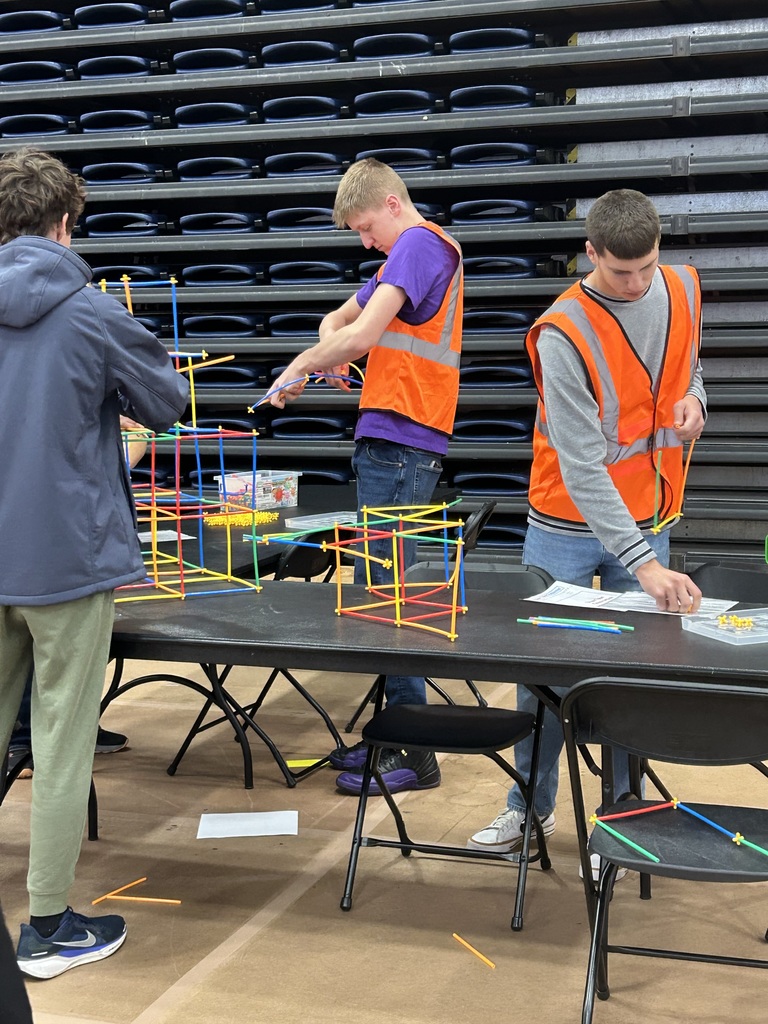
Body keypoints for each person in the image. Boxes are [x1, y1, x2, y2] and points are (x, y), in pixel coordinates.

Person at [466, 189, 706, 875]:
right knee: (543, 677)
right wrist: (643, 562)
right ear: (590, 252)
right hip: (565, 527)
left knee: (632, 681)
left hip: (649, 517)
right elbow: (581, 465)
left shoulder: (683, 288)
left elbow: (690, 368)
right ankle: (528, 807)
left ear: (660, 250)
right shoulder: (562, 332)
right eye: (619, 271)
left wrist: (696, 400)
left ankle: (623, 822)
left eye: (646, 268)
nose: (635, 283)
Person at [0, 147, 189, 978]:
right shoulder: (90, 312)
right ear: (64, 224)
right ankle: (47, 926)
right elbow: (167, 403)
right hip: (64, 559)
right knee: (61, 741)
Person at [268, 157, 464, 795]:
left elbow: (359, 336)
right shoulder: (405, 253)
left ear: (391, 204)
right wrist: (324, 348)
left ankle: (414, 747)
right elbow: (339, 323)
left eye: (364, 227)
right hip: (392, 440)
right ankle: (392, 730)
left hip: (404, 439)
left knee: (389, 594)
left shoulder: (418, 245)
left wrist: (301, 367)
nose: (364, 242)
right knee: (379, 589)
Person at [7, 419, 148, 780]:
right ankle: (22, 742)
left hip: (61, 535)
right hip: (38, 537)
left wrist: (120, 432)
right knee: (36, 644)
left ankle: (70, 733)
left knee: (64, 654)